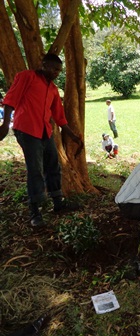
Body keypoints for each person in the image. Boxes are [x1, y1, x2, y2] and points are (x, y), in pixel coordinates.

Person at [0, 53, 83, 227]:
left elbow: (60, 117)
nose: (56, 73)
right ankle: (35, 212)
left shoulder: (52, 89)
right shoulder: (26, 77)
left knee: (53, 165)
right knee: (35, 169)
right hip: (27, 130)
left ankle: (58, 203)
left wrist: (74, 136)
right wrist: (5, 125)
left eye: (59, 71)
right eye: (54, 68)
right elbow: (10, 100)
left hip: (45, 132)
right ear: (44, 65)